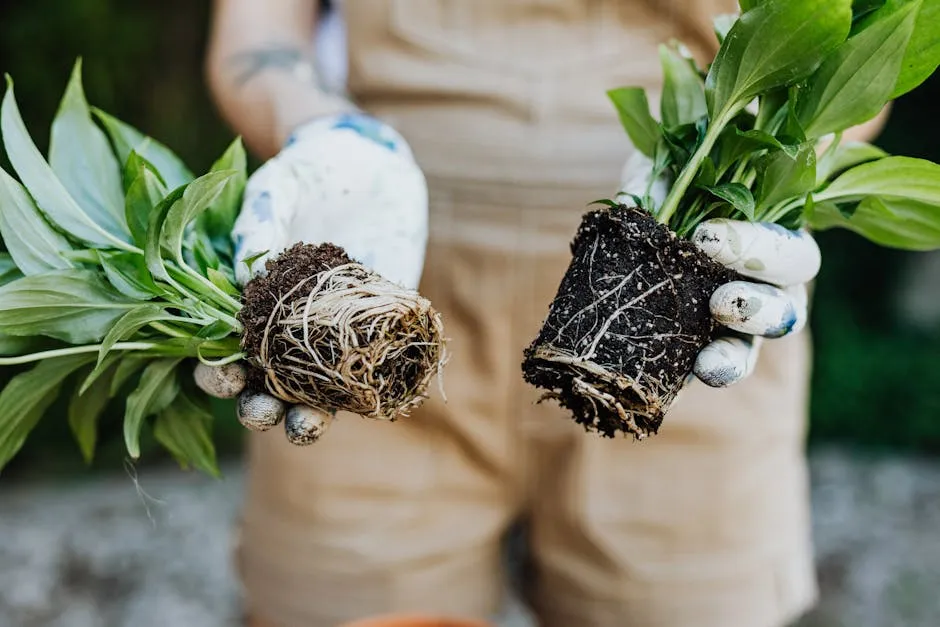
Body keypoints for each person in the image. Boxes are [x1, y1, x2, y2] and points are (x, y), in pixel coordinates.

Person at [200, 2, 889, 625]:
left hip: (673, 308)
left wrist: (754, 184)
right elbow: (260, 31)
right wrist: (317, 129)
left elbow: (855, 54)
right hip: (378, 296)